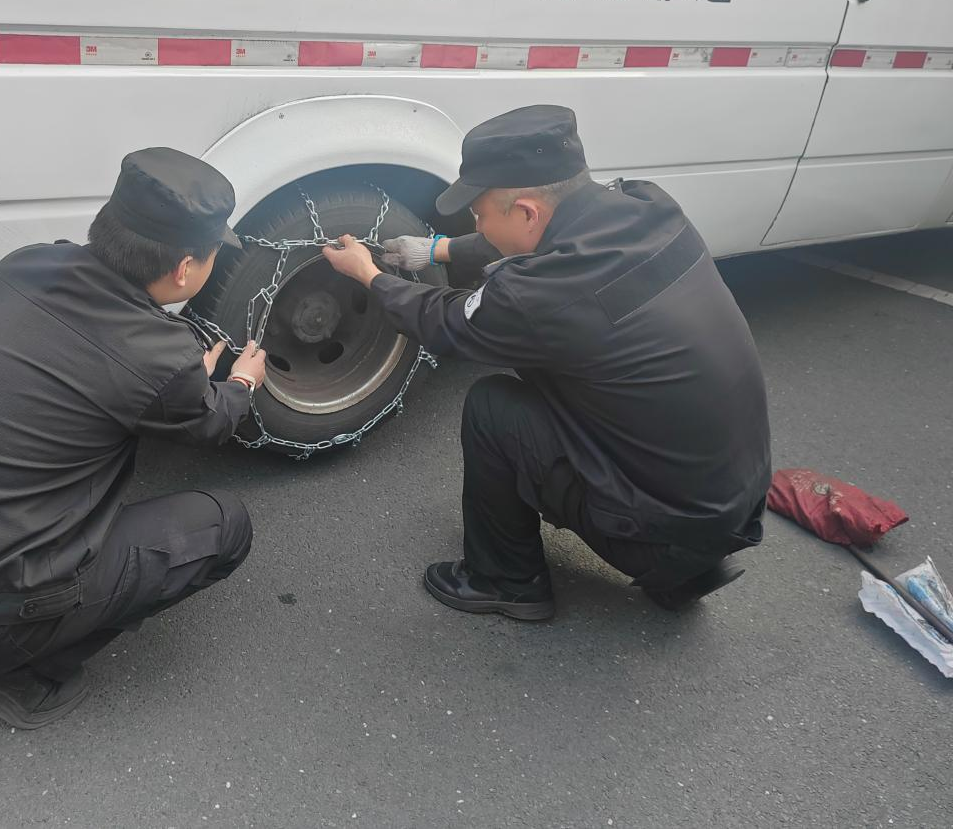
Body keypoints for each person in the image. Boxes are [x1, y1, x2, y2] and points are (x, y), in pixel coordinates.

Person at [0, 147, 267, 728]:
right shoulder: (160, 357)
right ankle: (17, 671)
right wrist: (241, 383)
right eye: (213, 253)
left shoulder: (25, 264)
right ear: (183, 270)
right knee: (225, 525)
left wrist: (166, 373)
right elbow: (211, 422)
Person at [323, 105, 769, 620]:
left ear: (528, 212)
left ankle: (507, 581)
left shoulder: (540, 297)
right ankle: (687, 565)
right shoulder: (647, 206)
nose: (476, 222)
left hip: (668, 528)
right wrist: (438, 250)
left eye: (479, 214)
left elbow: (445, 322)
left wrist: (370, 276)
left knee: (492, 408)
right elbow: (536, 243)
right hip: (728, 503)